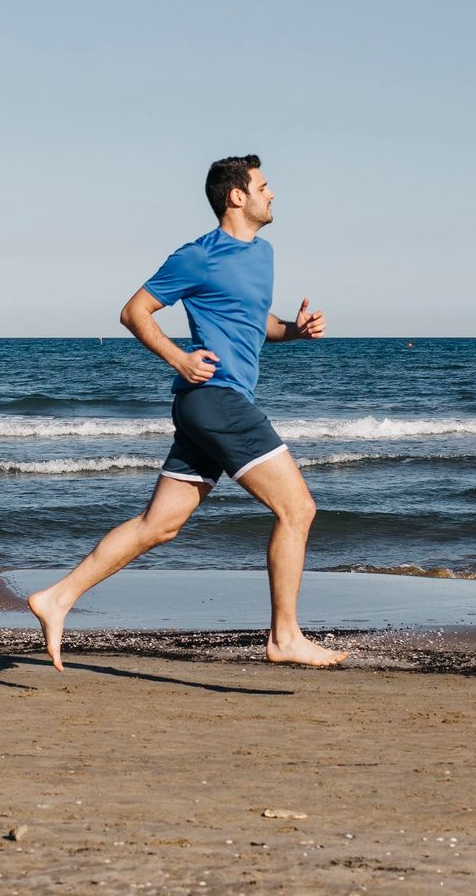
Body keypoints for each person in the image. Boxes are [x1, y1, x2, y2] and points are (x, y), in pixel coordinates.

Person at [27, 154, 348, 670]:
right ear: (236, 196)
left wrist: (294, 329)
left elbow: (251, 318)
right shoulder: (198, 255)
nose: (272, 194)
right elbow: (134, 310)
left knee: (160, 525)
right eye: (264, 186)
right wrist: (178, 356)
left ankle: (57, 597)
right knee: (298, 509)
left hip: (214, 405)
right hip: (215, 398)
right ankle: (285, 636)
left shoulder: (262, 254)